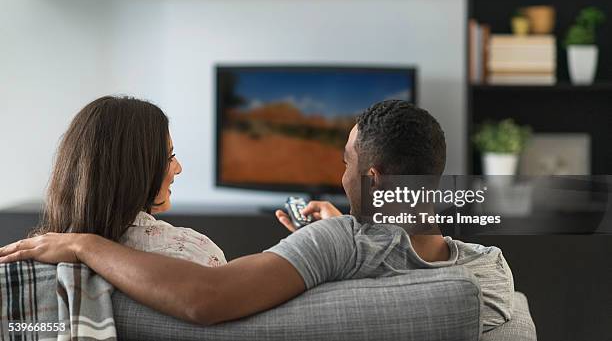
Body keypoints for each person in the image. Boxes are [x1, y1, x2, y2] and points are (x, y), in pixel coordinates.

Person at [0, 100, 513, 330]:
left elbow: (210, 297)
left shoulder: (334, 242)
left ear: (374, 180)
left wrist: (86, 243)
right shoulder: (490, 272)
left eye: (345, 164)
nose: (341, 175)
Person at [30, 95, 226, 267]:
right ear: (136, 172)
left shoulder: (35, 256)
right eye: (169, 157)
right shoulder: (195, 254)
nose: (179, 167)